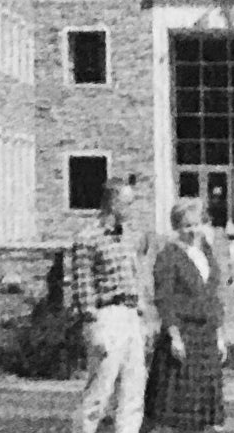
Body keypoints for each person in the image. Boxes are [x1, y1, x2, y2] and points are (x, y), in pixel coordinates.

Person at [67, 183, 148, 433]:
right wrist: (93, 325)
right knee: (100, 389)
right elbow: (83, 284)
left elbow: (135, 275)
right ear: (113, 203)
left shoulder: (128, 236)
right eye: (128, 203)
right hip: (106, 315)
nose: (131, 209)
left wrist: (141, 312)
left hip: (129, 314)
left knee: (133, 389)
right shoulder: (88, 237)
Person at [146, 198, 227, 433]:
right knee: (179, 413)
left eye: (196, 224)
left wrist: (220, 335)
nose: (192, 231)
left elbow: (214, 298)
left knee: (205, 416)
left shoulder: (206, 254)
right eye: (187, 226)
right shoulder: (168, 256)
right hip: (184, 335)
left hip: (207, 337)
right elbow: (164, 299)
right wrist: (174, 336)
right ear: (177, 227)